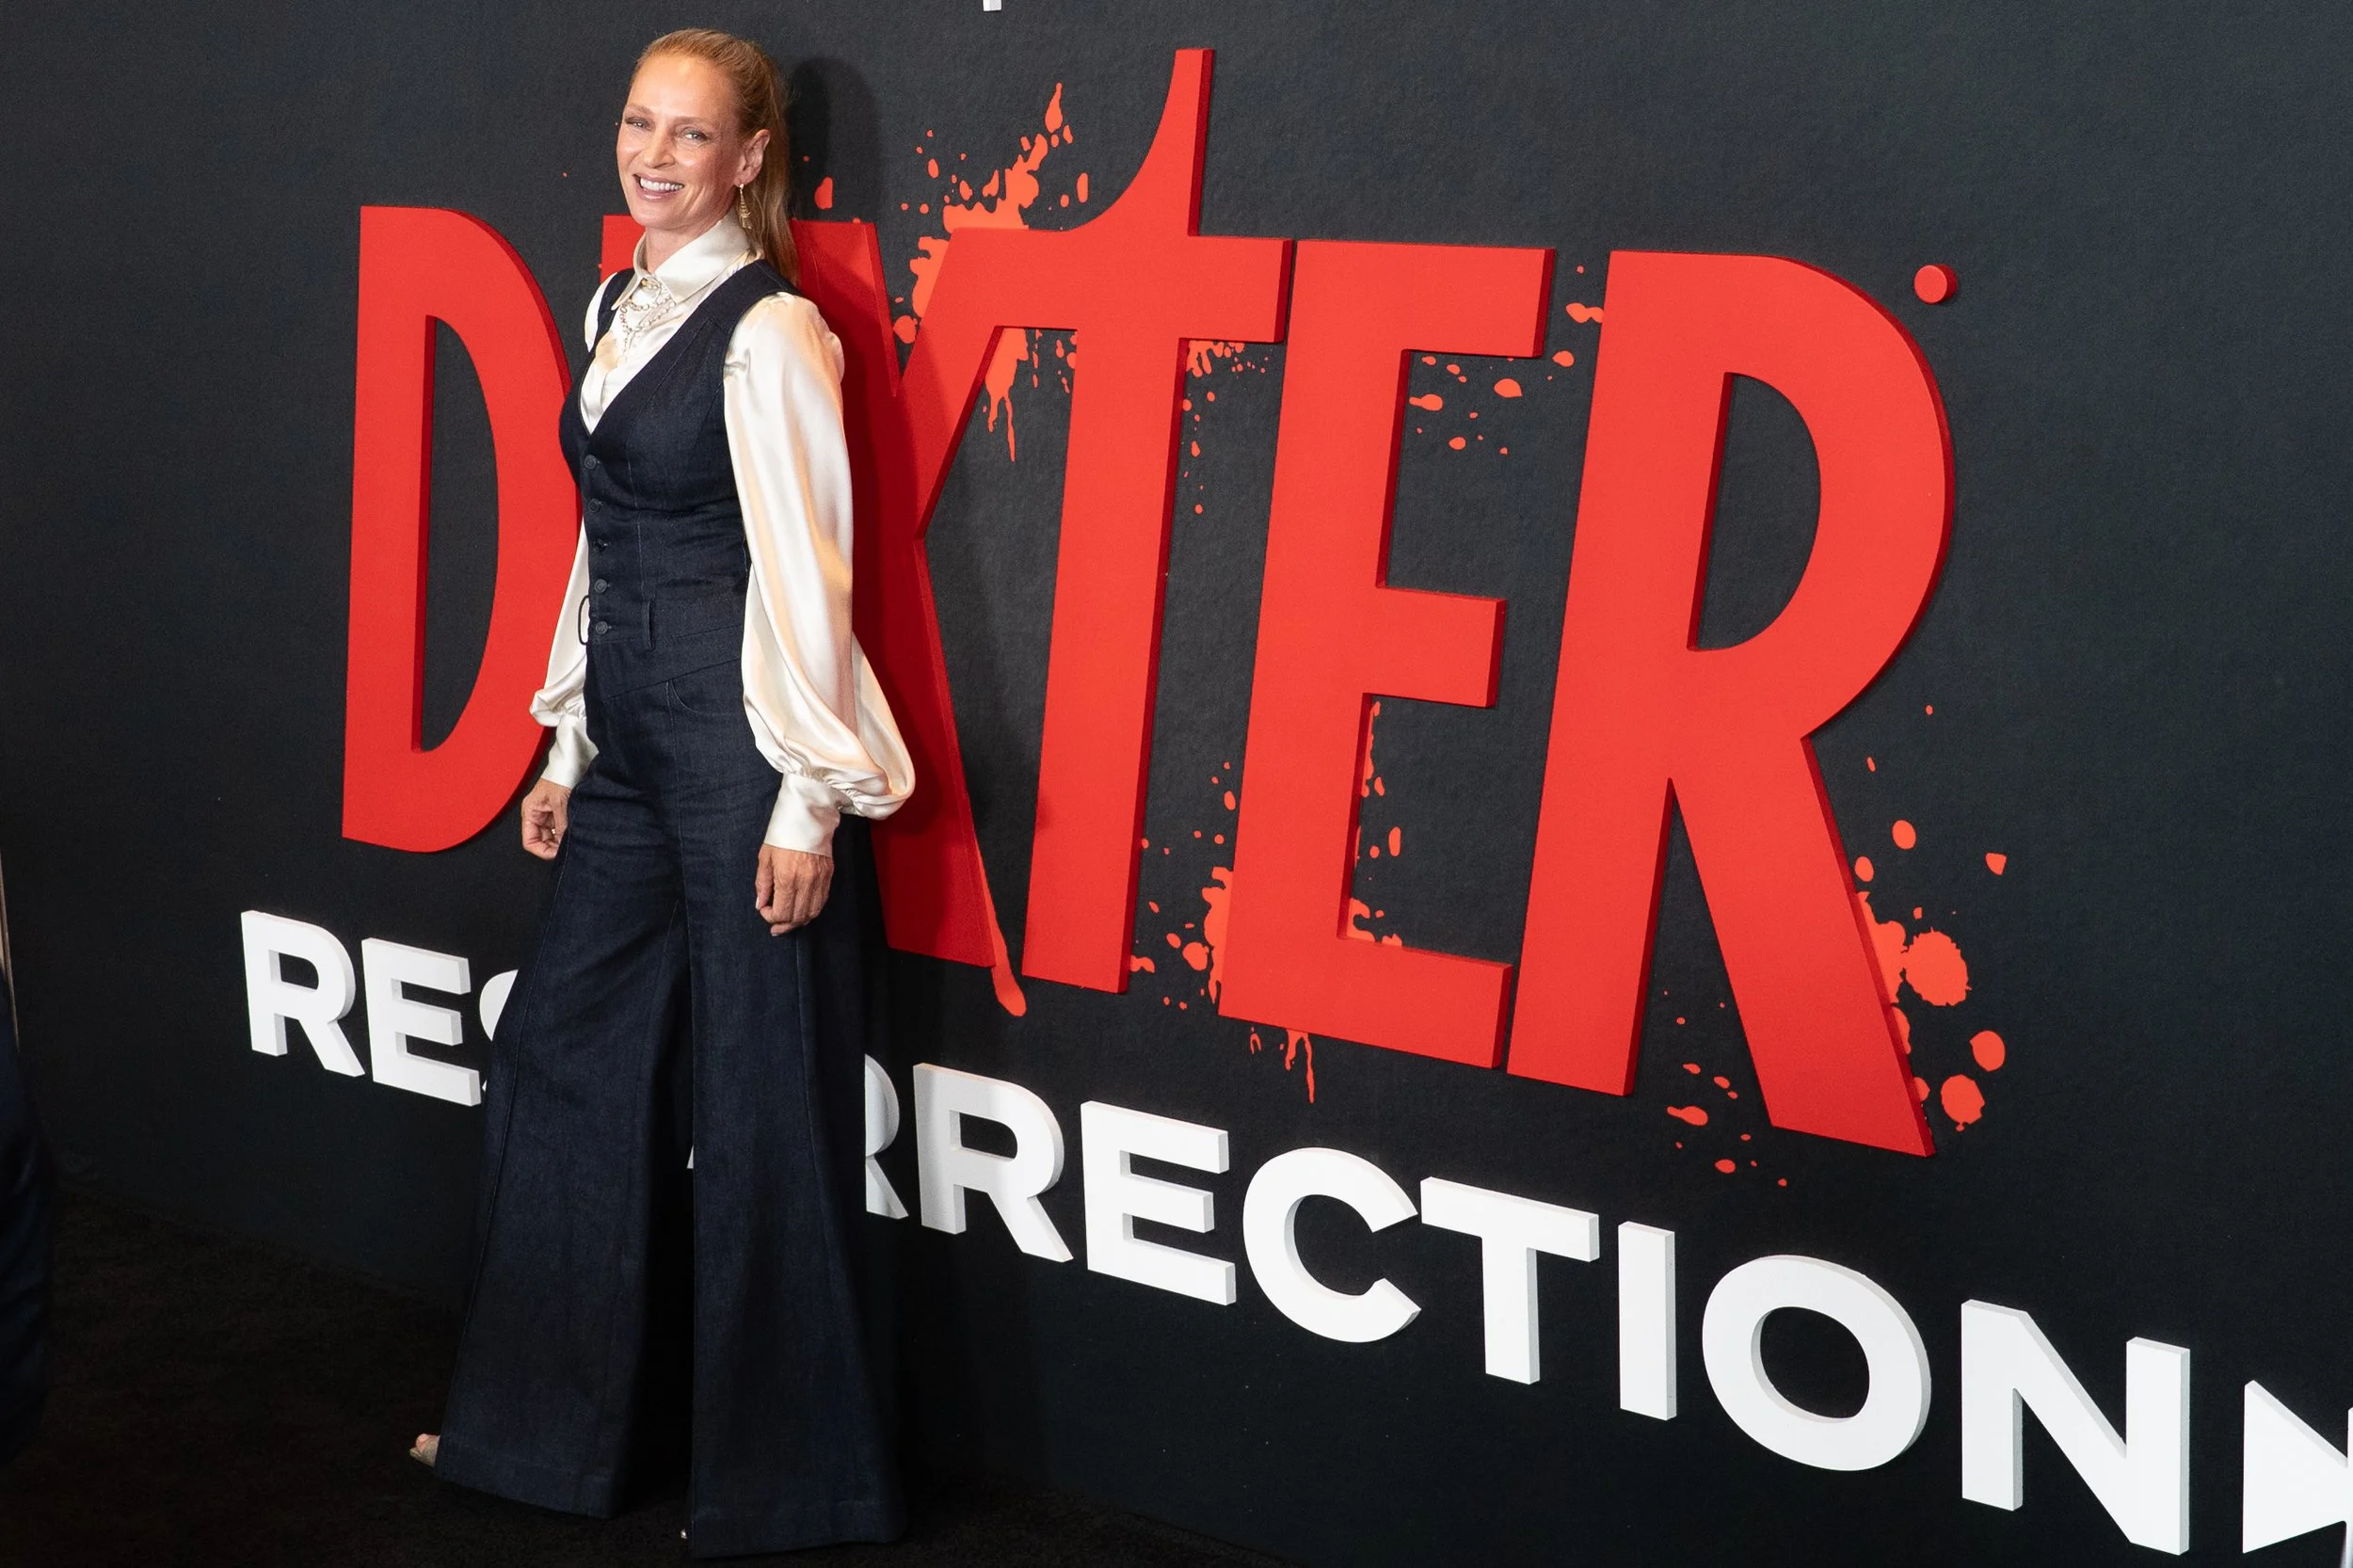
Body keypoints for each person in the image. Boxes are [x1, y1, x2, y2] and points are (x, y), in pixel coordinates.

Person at [410, 28, 913, 1557]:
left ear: (750, 160)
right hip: (627, 739)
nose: (654, 156)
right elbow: (594, 535)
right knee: (557, 1059)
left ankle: (785, 1485)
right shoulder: (618, 299)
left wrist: (810, 799)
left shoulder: (773, 335)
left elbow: (812, 577)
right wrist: (564, 742)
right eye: (640, 125)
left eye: (690, 137)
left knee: (765, 1107)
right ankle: (534, 1434)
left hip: (743, 741)